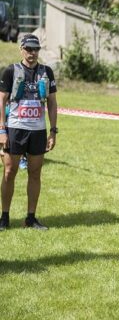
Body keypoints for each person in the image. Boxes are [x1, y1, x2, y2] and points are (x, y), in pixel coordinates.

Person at [0, 34, 58, 231]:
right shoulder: (11, 71)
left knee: (35, 173)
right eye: (29, 49)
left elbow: (52, 102)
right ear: (21, 49)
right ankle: (4, 217)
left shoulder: (46, 72)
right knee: (9, 172)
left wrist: (53, 131)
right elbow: (1, 101)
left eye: (36, 49)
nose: (32, 53)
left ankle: (30, 218)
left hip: (38, 130)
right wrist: (2, 130)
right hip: (15, 128)